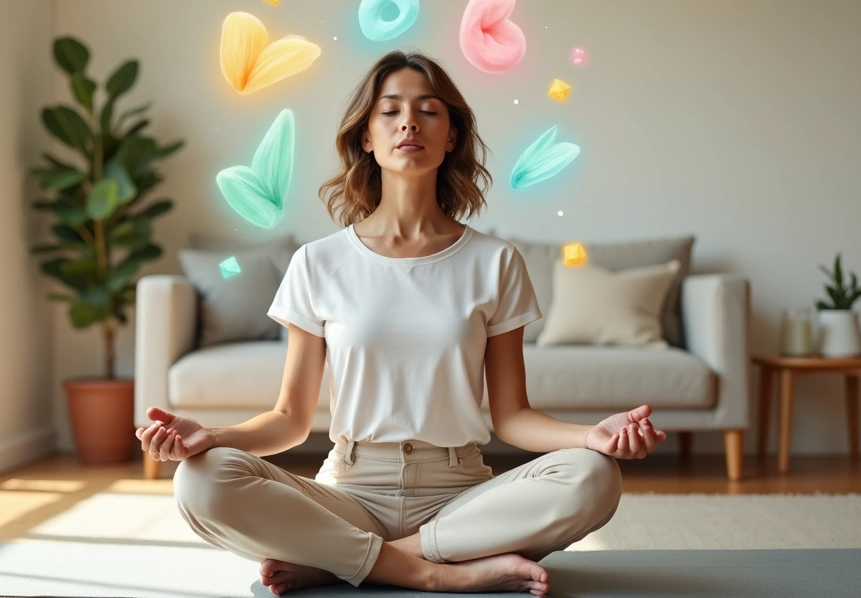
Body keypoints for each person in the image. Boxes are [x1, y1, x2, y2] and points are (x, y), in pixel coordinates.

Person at [136, 50, 666, 596]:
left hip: (460, 497)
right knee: (200, 480)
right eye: (390, 111)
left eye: (428, 110)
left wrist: (591, 438)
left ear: (452, 136)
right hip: (348, 496)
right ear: (366, 136)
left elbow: (512, 417)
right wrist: (211, 437)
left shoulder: (496, 261)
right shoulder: (317, 262)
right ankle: (433, 572)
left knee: (594, 477)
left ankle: (349, 561)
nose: (408, 122)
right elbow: (291, 420)